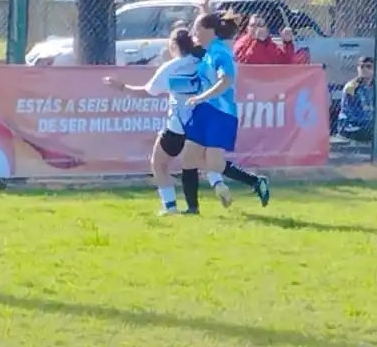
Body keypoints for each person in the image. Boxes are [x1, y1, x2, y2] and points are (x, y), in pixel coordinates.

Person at [105, 29, 270, 215]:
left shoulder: (170, 68)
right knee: (208, 160)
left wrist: (121, 87)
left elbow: (147, 91)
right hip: (202, 120)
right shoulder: (204, 60)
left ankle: (172, 207)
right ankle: (225, 182)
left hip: (178, 125)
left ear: (174, 46)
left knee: (159, 163)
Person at [180, 12, 244, 212]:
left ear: (209, 31)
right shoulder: (207, 50)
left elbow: (226, 80)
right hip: (204, 111)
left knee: (214, 161)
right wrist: (204, 8)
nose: (194, 32)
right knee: (189, 158)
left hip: (220, 113)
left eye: (197, 28)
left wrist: (201, 97)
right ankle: (192, 209)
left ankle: (251, 181)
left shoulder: (219, 52)